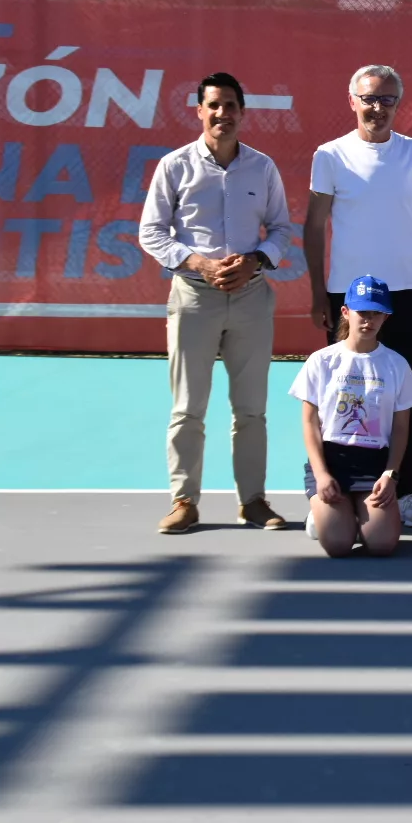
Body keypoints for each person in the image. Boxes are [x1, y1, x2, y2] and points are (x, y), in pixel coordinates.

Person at [139, 71, 294, 535]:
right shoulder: (174, 166)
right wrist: (199, 264)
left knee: (251, 409)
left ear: (242, 112)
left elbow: (282, 229)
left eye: (231, 105)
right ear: (199, 111)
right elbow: (151, 232)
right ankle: (184, 501)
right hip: (193, 297)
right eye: (214, 106)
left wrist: (256, 262)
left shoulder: (262, 168)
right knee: (188, 407)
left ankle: (253, 501)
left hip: (250, 298)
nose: (223, 114)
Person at [304, 64, 412, 529]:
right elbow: (314, 225)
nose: (377, 108)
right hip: (347, 293)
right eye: (369, 99)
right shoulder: (330, 155)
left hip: (406, 291)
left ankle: (406, 490)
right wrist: (319, 291)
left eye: (387, 100)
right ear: (352, 100)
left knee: (403, 394)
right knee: (340, 394)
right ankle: (326, 491)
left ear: (398, 105)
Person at [291, 276, 412, 559]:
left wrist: (390, 473)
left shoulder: (396, 364)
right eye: (363, 312)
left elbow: (401, 428)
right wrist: (322, 474)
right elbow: (310, 423)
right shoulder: (322, 360)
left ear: (386, 316)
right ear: (346, 312)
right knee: (338, 546)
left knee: (382, 545)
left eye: (377, 313)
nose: (369, 320)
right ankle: (326, 513)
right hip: (331, 461)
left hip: (374, 463)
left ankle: (353, 514)